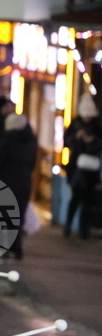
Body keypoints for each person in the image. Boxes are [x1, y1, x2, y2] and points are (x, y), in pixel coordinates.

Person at [0, 114, 37, 257]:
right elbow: (32, 164)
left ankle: (3, 248)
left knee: (1, 216)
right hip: (23, 184)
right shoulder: (30, 142)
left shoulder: (5, 142)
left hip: (4, 183)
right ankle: (17, 248)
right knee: (16, 217)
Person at [63, 94, 102, 239]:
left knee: (89, 200)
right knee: (76, 198)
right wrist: (76, 138)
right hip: (76, 168)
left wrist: (90, 140)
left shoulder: (97, 126)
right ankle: (69, 225)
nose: (88, 119)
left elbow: (99, 146)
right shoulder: (74, 124)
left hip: (91, 169)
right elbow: (66, 143)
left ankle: (83, 229)